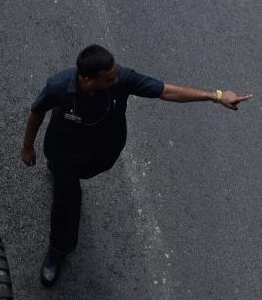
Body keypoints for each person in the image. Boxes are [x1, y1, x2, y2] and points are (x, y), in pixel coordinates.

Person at [21, 45, 251, 287]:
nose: (117, 79)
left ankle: (62, 178)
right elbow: (37, 112)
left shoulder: (122, 79)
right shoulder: (58, 86)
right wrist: (27, 147)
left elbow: (167, 92)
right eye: (109, 78)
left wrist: (215, 96)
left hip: (101, 155)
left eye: (115, 73)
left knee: (74, 181)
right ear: (87, 80)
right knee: (66, 203)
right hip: (65, 154)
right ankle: (59, 250)